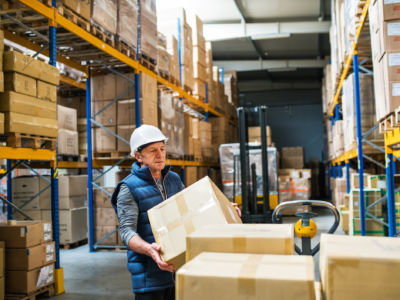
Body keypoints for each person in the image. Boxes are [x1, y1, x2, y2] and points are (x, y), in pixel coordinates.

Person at [111, 125, 241, 300]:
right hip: (149, 278)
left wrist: (223, 208)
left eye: (162, 149)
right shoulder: (128, 188)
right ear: (138, 156)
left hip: (179, 270)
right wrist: (149, 249)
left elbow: (193, 209)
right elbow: (127, 232)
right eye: (152, 150)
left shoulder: (173, 179)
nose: (160, 155)